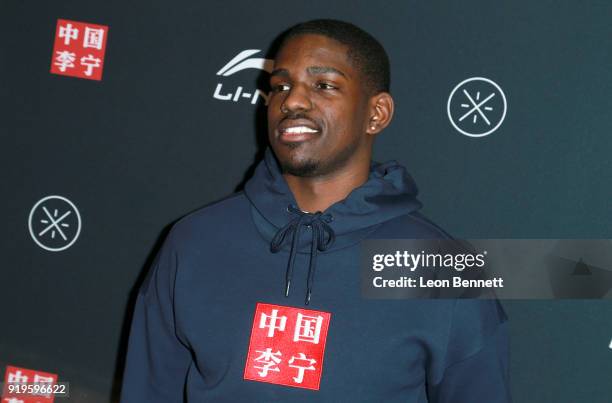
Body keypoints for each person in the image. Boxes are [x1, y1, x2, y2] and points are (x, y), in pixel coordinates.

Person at [120, 19, 511, 402]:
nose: (291, 101)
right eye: (280, 86)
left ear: (376, 114)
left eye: (324, 85)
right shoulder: (194, 241)